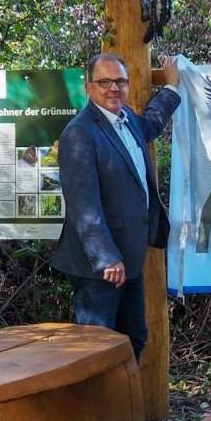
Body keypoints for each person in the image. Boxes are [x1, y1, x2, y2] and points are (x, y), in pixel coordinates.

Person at [52, 51, 181, 360]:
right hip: (100, 267)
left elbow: (151, 124)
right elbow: (84, 206)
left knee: (133, 338)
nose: (114, 88)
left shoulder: (127, 121)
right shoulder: (80, 133)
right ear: (89, 88)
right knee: (95, 351)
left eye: (120, 81)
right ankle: (94, 409)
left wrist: (172, 88)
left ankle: (123, 408)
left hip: (129, 260)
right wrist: (107, 258)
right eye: (105, 81)